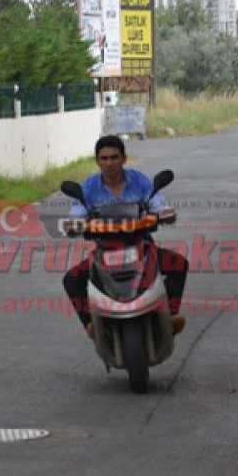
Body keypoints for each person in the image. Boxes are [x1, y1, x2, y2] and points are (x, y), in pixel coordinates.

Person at [62, 135, 189, 339]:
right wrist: (73, 224)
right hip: (105, 251)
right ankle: (91, 325)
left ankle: (170, 317)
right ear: (97, 161)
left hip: (142, 246)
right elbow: (77, 213)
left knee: (179, 265)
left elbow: (158, 203)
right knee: (71, 279)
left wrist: (166, 213)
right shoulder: (88, 187)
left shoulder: (140, 181)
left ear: (124, 159)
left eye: (114, 157)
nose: (109, 163)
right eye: (104, 158)